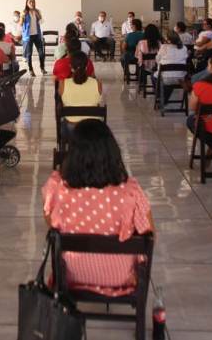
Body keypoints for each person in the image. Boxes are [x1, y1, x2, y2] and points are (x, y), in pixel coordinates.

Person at [42, 119, 154, 296]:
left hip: (71, 275)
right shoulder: (130, 193)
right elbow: (149, 234)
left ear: (72, 155)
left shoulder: (58, 189)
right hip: (119, 276)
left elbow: (52, 223)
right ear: (112, 152)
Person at [58, 52, 103, 127]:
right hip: (93, 127)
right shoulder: (97, 83)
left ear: (71, 67)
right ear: (87, 66)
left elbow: (62, 102)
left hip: (72, 126)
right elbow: (98, 102)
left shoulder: (63, 83)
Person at [154, 31, 189, 106]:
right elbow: (185, 58)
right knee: (170, 79)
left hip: (166, 77)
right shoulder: (184, 48)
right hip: (181, 78)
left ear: (168, 40)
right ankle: (163, 99)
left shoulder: (164, 47)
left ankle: (160, 98)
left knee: (155, 77)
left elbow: (157, 59)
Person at [21, 0, 45, 76]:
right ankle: (31, 70)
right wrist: (22, 17)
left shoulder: (37, 11)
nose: (31, 3)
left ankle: (42, 68)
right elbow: (20, 24)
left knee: (41, 53)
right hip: (28, 36)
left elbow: (41, 22)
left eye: (33, 2)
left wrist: (38, 14)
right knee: (29, 54)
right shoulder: (24, 12)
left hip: (37, 35)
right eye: (30, 2)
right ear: (27, 4)